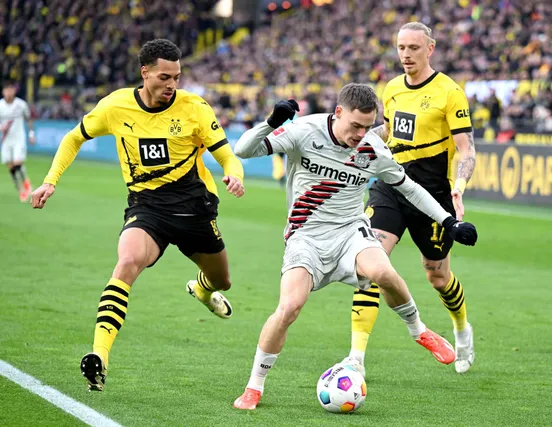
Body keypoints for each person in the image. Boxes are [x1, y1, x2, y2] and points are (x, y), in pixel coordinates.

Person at [231, 83, 478, 410]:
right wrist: (270, 123)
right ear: (338, 113)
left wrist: (449, 222)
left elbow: (411, 189)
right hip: (307, 237)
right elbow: (243, 150)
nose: (361, 134)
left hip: (350, 231)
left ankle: (419, 330)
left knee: (383, 272)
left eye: (367, 126)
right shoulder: (304, 131)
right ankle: (254, 386)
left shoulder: (373, 148)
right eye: (356, 126)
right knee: (289, 307)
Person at [30, 39, 245, 391]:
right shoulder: (116, 106)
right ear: (145, 73)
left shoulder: (195, 108)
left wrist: (234, 174)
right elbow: (73, 138)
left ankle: (203, 290)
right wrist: (50, 181)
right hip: (148, 208)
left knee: (222, 281)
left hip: (194, 207)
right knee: (127, 262)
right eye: (164, 77)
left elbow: (226, 155)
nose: (172, 84)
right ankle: (99, 356)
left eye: (176, 77)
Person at [345, 22, 478, 376]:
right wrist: (356, 138)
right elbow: (389, 131)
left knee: (437, 276)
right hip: (391, 185)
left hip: (432, 194)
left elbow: (466, 148)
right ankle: (356, 358)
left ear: (430, 49)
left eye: (414, 48)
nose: (406, 55)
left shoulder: (450, 92)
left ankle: (461, 328)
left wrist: (459, 185)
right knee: (369, 264)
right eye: (401, 47)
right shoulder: (391, 88)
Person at [0, 81, 36, 202]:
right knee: (11, 166)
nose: (8, 93)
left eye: (10, 90)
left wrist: (31, 134)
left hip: (18, 139)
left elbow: (28, 119)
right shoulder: (0, 105)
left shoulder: (21, 105)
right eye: (6, 90)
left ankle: (26, 183)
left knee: (17, 162)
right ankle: (20, 189)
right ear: (3, 92)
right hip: (6, 140)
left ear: (14, 91)